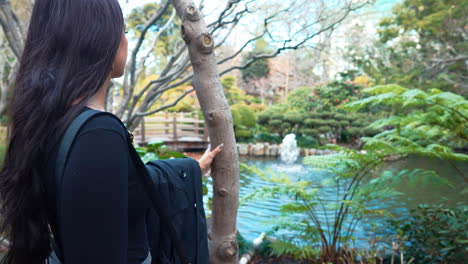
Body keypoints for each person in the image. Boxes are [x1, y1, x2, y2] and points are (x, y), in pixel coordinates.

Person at [0, 0, 222, 263]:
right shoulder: (97, 135)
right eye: (124, 30)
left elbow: (120, 186)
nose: (126, 40)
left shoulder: (53, 122)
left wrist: (194, 167)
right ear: (99, 40)